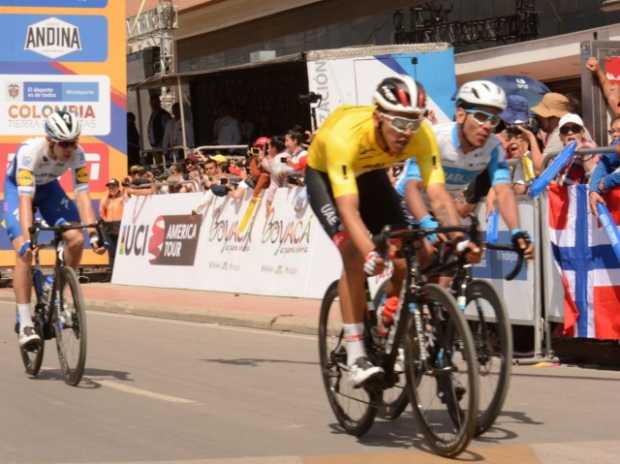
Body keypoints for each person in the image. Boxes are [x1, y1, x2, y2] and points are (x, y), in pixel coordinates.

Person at [306, 75, 460, 386]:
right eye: (399, 123)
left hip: (371, 175)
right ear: (378, 117)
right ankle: (355, 354)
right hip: (325, 176)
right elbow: (348, 209)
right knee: (352, 252)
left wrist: (458, 237)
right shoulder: (344, 137)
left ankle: (388, 321)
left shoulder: (421, 135)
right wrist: (369, 253)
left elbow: (439, 196)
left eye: (413, 123)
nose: (407, 133)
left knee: (416, 253)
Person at [396, 81, 533, 260]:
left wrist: (516, 231)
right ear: (460, 114)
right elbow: (411, 187)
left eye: (493, 120)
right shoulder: (435, 139)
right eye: (481, 117)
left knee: (458, 260)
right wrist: (425, 223)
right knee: (426, 255)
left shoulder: (493, 148)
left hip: (442, 207)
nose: (487, 126)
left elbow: (504, 191)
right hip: (408, 205)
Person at [3, 110, 106, 348]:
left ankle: (58, 293)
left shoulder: (78, 155)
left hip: (49, 190)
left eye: (74, 142)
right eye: (64, 144)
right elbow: (26, 200)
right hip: (17, 191)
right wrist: (28, 237)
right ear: (50, 141)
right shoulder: (30, 153)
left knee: (76, 239)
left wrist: (93, 233)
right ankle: (26, 321)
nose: (70, 148)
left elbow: (82, 195)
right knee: (24, 252)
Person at [530, 92, 571, 170]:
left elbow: (540, 168)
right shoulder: (568, 127)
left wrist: (531, 137)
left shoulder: (562, 132)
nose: (538, 118)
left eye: (540, 116)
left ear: (552, 117)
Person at [589, 119, 620, 215]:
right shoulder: (614, 147)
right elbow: (604, 163)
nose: (615, 135)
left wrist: (607, 181)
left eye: (619, 130)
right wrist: (594, 190)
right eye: (612, 131)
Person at [99, 178, 124, 270]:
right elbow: (101, 210)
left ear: (118, 187)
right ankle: (113, 271)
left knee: (121, 250)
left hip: (120, 225)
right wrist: (107, 195)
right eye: (109, 187)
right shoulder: (105, 199)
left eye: (113, 186)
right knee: (111, 250)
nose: (111, 188)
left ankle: (122, 271)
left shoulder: (123, 197)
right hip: (108, 226)